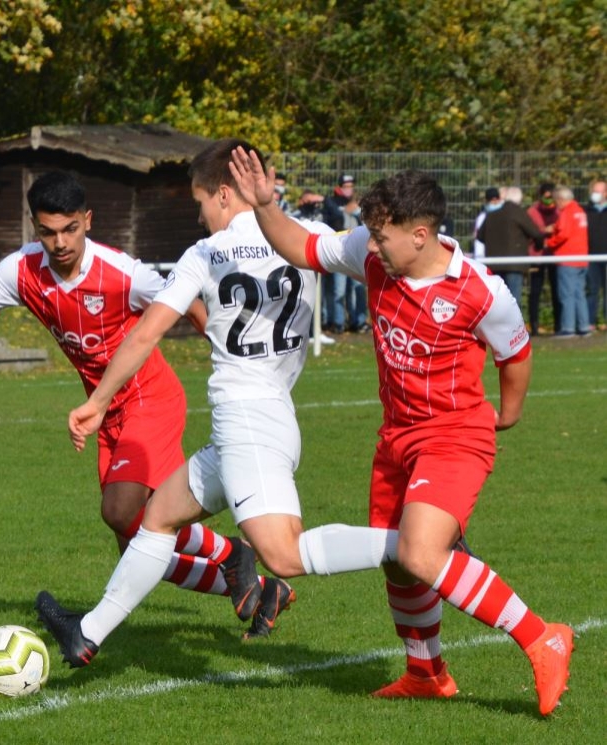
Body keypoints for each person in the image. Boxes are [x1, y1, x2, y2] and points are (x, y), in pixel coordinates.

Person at [229, 148, 574, 716]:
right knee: (395, 557)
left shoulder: (481, 290)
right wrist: (266, 205)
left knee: (418, 552)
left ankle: (543, 637)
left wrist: (508, 414)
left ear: (420, 235)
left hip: (455, 435)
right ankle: (425, 673)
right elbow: (302, 246)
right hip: (396, 436)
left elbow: (515, 354)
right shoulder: (372, 253)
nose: (372, 245)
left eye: (382, 236)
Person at [35, 140, 407, 667]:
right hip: (263, 416)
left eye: (201, 201)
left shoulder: (205, 254)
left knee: (283, 554)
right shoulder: (306, 236)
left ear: (225, 193)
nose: (200, 215)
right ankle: (87, 633)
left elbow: (145, 333)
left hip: (247, 421)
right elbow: (376, 244)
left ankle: (412, 545)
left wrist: (97, 400)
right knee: (158, 516)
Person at [0, 170, 279, 632]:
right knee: (135, 546)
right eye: (48, 232)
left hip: (150, 397)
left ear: (88, 220)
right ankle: (258, 588)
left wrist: (232, 356)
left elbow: (188, 304)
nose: (60, 242)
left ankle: (231, 553)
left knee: (121, 511)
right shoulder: (20, 271)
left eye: (70, 229)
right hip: (105, 412)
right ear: (35, 227)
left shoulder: (122, 272)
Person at [476, 186, 545, 306]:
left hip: (494, 264)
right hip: (514, 264)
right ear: (520, 199)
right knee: (513, 301)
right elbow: (536, 234)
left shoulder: (492, 214)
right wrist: (538, 247)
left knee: (497, 301)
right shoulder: (519, 213)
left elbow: (480, 236)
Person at [323, 173, 368, 332]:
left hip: (357, 252)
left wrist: (357, 211)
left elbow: (368, 224)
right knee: (339, 290)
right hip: (340, 252)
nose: (349, 189)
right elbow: (332, 222)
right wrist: (345, 212)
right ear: (339, 187)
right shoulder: (331, 202)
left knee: (357, 290)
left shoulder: (359, 203)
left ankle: (358, 322)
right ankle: (338, 323)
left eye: (351, 186)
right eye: (346, 186)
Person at [548, 186, 592, 337]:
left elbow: (563, 234)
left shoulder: (567, 212)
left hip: (568, 258)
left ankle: (568, 327)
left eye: (556, 201)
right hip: (582, 258)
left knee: (567, 295)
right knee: (580, 294)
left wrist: (550, 242)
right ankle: (584, 326)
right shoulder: (579, 211)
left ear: (561, 199)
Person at [526, 183, 561, 334]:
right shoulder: (532, 212)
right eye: (545, 196)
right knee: (535, 291)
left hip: (555, 255)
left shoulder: (560, 210)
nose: (548, 200)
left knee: (557, 291)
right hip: (537, 256)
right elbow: (528, 232)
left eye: (550, 196)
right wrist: (543, 231)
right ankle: (534, 326)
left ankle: (559, 325)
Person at [581, 180, 607, 330]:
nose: (595, 194)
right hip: (590, 257)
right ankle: (590, 322)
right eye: (594, 191)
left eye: (598, 191)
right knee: (592, 290)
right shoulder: (586, 211)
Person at [471, 187, 502, 260]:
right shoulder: (482, 218)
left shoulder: (504, 215)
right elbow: (478, 241)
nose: (494, 203)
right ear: (487, 201)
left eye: (496, 201)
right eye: (492, 201)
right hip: (485, 256)